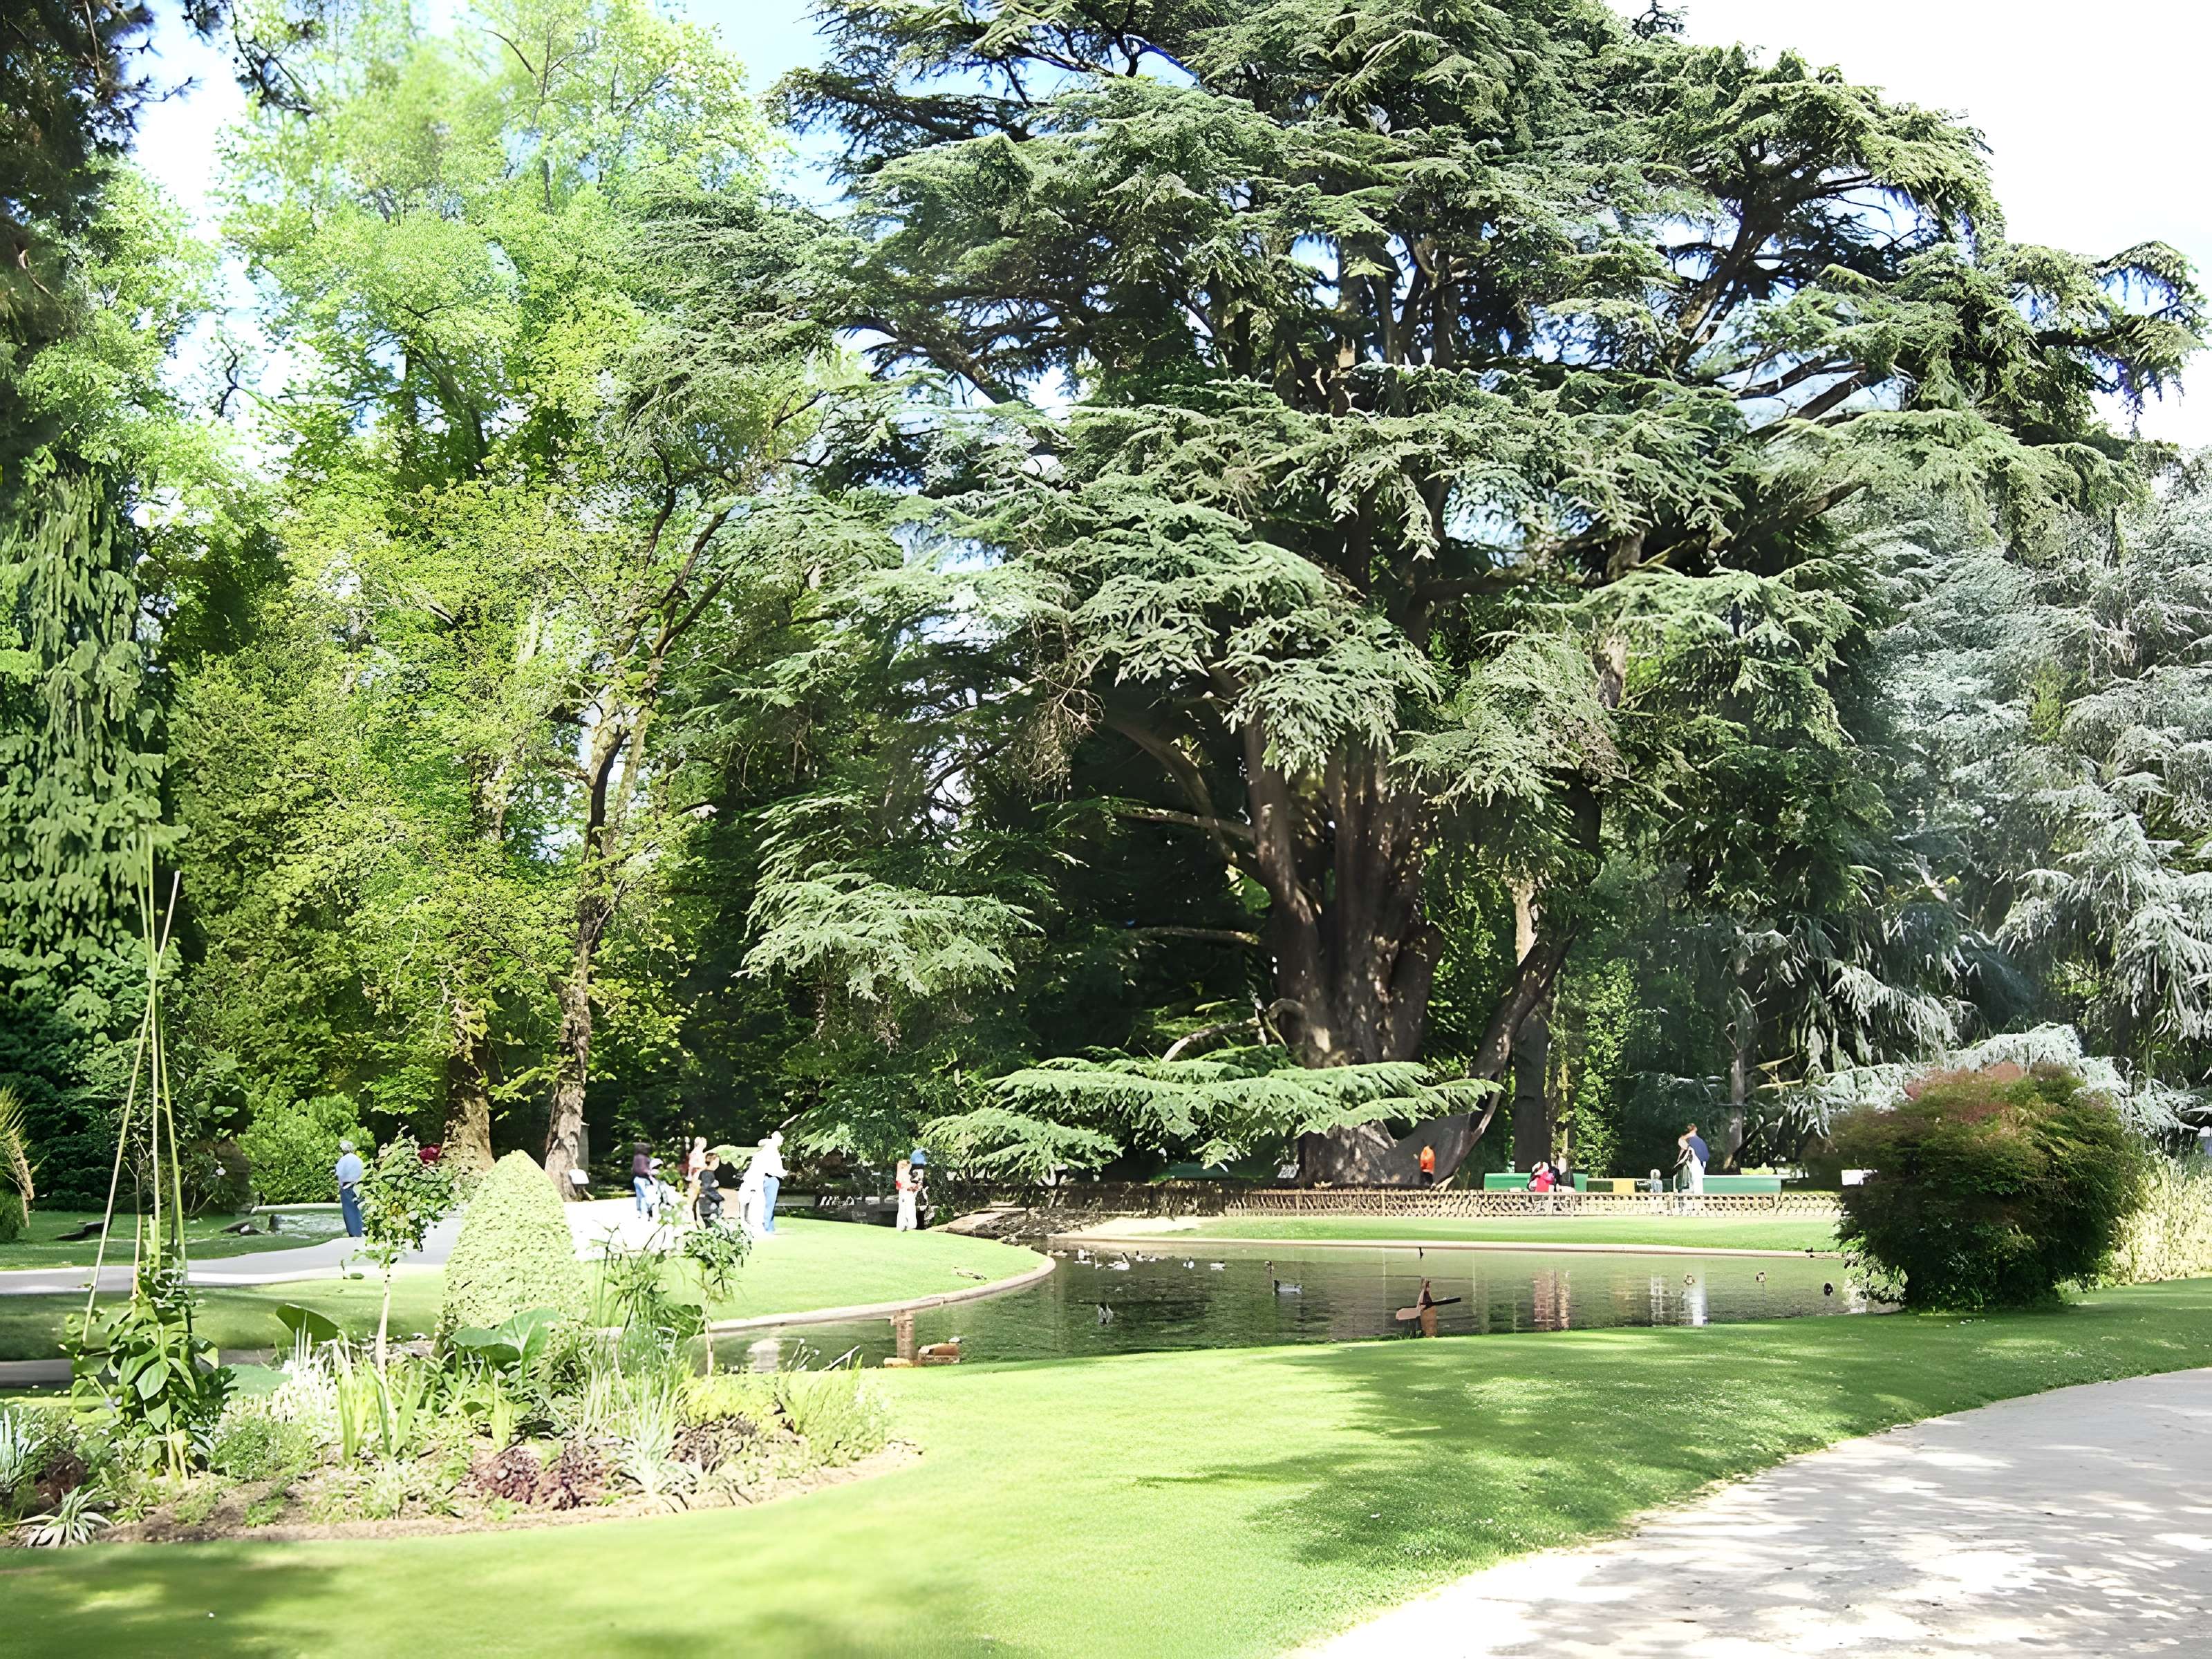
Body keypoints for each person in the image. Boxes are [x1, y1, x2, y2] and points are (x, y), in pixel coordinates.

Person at [757, 1132, 788, 1235]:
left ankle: (770, 1227)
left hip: (768, 1178)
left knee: (769, 1204)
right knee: (769, 1204)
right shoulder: (772, 1150)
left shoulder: (768, 1149)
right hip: (772, 1179)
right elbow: (776, 1169)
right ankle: (766, 1228)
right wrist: (786, 1173)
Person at [335, 1138, 365, 1237]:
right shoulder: (358, 1159)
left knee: (349, 1210)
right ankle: (362, 1230)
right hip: (358, 1185)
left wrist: (340, 1187)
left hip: (346, 1186)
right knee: (359, 1208)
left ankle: (353, 1233)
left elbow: (339, 1175)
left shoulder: (342, 1160)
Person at [1678, 1123, 1709, 1194]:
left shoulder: (1687, 1138)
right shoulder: (1694, 1139)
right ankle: (1697, 1193)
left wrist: (1679, 1159)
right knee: (1698, 1177)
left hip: (1698, 1159)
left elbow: (1683, 1147)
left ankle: (1697, 1193)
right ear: (1695, 1129)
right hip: (1700, 1159)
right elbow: (1684, 1148)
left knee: (1697, 1177)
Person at [695, 1152, 724, 1226]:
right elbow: (706, 1188)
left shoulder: (706, 1173)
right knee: (713, 1226)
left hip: (706, 1204)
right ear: (712, 1161)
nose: (718, 1164)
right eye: (717, 1161)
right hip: (708, 1205)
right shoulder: (708, 1174)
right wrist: (718, 1198)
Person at [630, 1141, 654, 1215]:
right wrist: (650, 1173)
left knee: (639, 1196)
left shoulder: (636, 1157)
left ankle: (639, 1211)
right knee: (645, 1195)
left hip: (636, 1179)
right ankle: (647, 1211)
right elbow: (644, 1169)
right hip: (643, 1179)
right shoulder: (644, 1158)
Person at [894, 1159, 918, 1232]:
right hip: (904, 1193)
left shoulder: (908, 1176)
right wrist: (907, 1186)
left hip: (909, 1193)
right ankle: (903, 1224)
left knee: (910, 1208)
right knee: (903, 1208)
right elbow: (898, 1186)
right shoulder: (900, 1176)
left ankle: (910, 1224)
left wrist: (913, 1187)